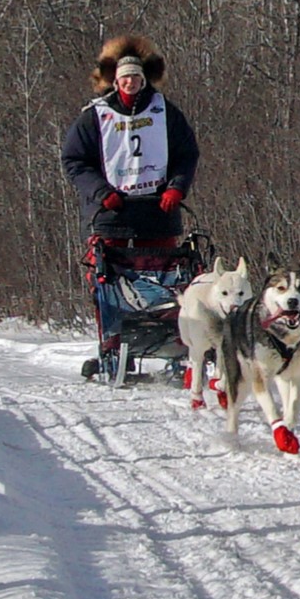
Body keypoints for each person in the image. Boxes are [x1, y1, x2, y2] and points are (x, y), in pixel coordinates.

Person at [62, 34, 200, 360]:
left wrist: (176, 188)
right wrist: (100, 193)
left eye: (136, 77)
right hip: (112, 215)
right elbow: (74, 160)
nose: (130, 83)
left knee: (166, 278)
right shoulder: (95, 116)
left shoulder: (165, 111)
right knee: (109, 279)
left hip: (158, 212)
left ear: (144, 78)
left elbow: (186, 153)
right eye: (124, 78)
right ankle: (113, 341)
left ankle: (170, 339)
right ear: (115, 80)